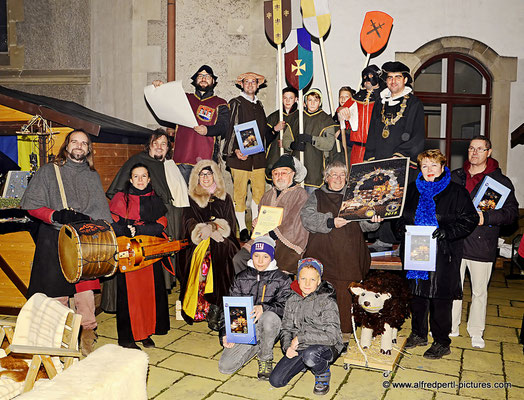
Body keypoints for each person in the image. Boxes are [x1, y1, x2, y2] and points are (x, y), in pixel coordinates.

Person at [20, 129, 112, 355]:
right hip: (54, 238)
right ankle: (60, 338)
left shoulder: (92, 175)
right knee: (57, 294)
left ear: (89, 149)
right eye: (75, 142)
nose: (79, 146)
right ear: (66, 145)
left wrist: (88, 219)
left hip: (84, 240)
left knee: (85, 293)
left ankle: (87, 335)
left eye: (84, 143)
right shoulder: (48, 172)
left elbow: (102, 213)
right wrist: (56, 215)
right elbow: (31, 205)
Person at [399, 149, 478, 359]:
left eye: (434, 165)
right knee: (417, 296)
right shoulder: (411, 190)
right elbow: (400, 216)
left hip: (443, 254)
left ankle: (442, 342)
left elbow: (469, 220)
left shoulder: (456, 192)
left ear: (443, 167)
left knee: (439, 299)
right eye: (425, 166)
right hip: (414, 252)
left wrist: (447, 232)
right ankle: (418, 334)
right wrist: (402, 229)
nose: (429, 170)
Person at [300, 160, 381, 341]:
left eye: (342, 175)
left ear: (347, 178)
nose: (338, 178)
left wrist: (373, 220)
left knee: (346, 293)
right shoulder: (317, 196)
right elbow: (307, 218)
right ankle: (319, 330)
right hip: (323, 253)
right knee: (322, 292)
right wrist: (330, 222)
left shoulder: (355, 196)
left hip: (348, 254)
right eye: (333, 174)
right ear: (326, 177)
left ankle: (345, 333)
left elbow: (367, 225)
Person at [450, 136, 518, 348]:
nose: (474, 153)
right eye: (471, 148)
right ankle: (450, 327)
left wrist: (486, 218)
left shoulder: (500, 182)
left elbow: (512, 214)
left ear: (489, 152)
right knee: (453, 289)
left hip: (482, 244)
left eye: (480, 149)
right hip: (456, 242)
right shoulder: (455, 177)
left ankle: (476, 331)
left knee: (480, 291)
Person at [107, 128, 188, 298]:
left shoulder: (169, 165)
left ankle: (162, 290)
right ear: (149, 146)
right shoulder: (137, 161)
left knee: (163, 258)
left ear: (168, 148)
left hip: (166, 215)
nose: (159, 147)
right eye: (155, 143)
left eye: (163, 144)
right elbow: (120, 191)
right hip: (143, 218)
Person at [364, 61, 426, 251]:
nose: (393, 81)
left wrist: (400, 155)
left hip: (403, 163)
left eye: (397, 77)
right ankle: (383, 237)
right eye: (389, 77)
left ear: (405, 80)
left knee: (401, 202)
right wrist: (370, 158)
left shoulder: (414, 104)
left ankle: (401, 241)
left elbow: (418, 135)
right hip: (381, 162)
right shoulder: (379, 103)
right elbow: (373, 132)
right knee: (381, 198)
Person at [109, 163, 170, 349]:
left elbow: (162, 223)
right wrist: (130, 230)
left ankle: (146, 333)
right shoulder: (121, 198)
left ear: (149, 179)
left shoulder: (155, 198)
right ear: (130, 179)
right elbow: (113, 222)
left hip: (150, 252)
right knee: (131, 296)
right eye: (136, 176)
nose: (140, 180)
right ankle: (128, 338)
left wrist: (140, 229)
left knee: (148, 295)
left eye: (144, 176)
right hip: (129, 251)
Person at [218, 236, 292, 380]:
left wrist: (264, 308)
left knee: (268, 317)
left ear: (271, 258)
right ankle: (258, 344)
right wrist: (225, 333)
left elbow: (288, 308)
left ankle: (265, 358)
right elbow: (229, 308)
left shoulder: (282, 279)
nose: (260, 260)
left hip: (273, 324)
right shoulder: (241, 278)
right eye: (256, 256)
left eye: (265, 257)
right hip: (245, 327)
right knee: (225, 367)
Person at [179, 159, 240, 330]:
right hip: (198, 240)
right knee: (206, 259)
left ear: (215, 176)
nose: (206, 177)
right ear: (197, 178)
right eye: (202, 174)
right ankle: (204, 307)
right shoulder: (192, 198)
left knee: (223, 252)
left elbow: (231, 222)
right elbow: (188, 221)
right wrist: (201, 230)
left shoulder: (224, 197)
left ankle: (218, 307)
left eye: (209, 173)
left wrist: (214, 227)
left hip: (222, 237)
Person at [269, 258, 344, 396]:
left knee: (311, 355)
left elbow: (332, 336)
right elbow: (286, 328)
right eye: (303, 278)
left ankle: (322, 372)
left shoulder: (326, 301)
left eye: (312, 280)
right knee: (276, 381)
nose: (307, 284)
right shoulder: (292, 300)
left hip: (325, 345)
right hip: (300, 346)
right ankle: (304, 362)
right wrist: (287, 347)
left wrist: (301, 338)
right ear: (297, 279)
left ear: (319, 281)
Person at [232, 154, 309, 274]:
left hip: (287, 243)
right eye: (276, 173)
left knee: (277, 269)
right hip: (263, 238)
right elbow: (261, 222)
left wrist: (271, 234)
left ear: (293, 174)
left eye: (284, 172)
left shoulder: (301, 194)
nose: (279, 176)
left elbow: (295, 223)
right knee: (239, 259)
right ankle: (246, 290)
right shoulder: (267, 195)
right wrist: (256, 224)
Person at [152, 65, 229, 183]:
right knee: (181, 197)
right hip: (182, 157)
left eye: (207, 76)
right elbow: (164, 103)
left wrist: (207, 130)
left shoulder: (220, 103)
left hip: (206, 159)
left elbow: (224, 127)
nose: (203, 78)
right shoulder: (183, 98)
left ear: (213, 81)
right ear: (195, 80)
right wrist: (160, 88)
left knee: (202, 198)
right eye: (200, 76)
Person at [223, 72, 270, 242]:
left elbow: (263, 133)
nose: (250, 85)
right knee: (240, 194)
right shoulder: (236, 103)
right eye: (247, 82)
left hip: (257, 158)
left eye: (253, 82)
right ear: (241, 84)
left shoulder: (259, 105)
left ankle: (256, 227)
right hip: (240, 158)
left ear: (258, 85)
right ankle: (242, 228)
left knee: (259, 194)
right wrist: (234, 150)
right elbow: (231, 127)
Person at [283, 88, 337, 194]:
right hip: (297, 166)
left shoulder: (326, 120)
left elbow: (329, 144)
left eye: (315, 100)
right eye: (310, 100)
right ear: (305, 102)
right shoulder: (296, 118)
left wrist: (311, 139)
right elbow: (285, 140)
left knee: (312, 201)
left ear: (320, 102)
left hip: (315, 169)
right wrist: (293, 145)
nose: (312, 103)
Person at [337, 65, 384, 164]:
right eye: (365, 77)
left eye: (371, 75)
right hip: (357, 148)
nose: (367, 79)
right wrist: (341, 109)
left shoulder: (384, 97)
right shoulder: (357, 97)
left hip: (377, 149)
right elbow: (340, 108)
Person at [265, 86, 299, 178]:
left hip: (295, 158)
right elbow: (264, 139)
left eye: (291, 98)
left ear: (296, 99)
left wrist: (288, 144)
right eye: (285, 98)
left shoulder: (301, 117)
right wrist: (275, 129)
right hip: (275, 157)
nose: (288, 101)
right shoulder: (274, 117)